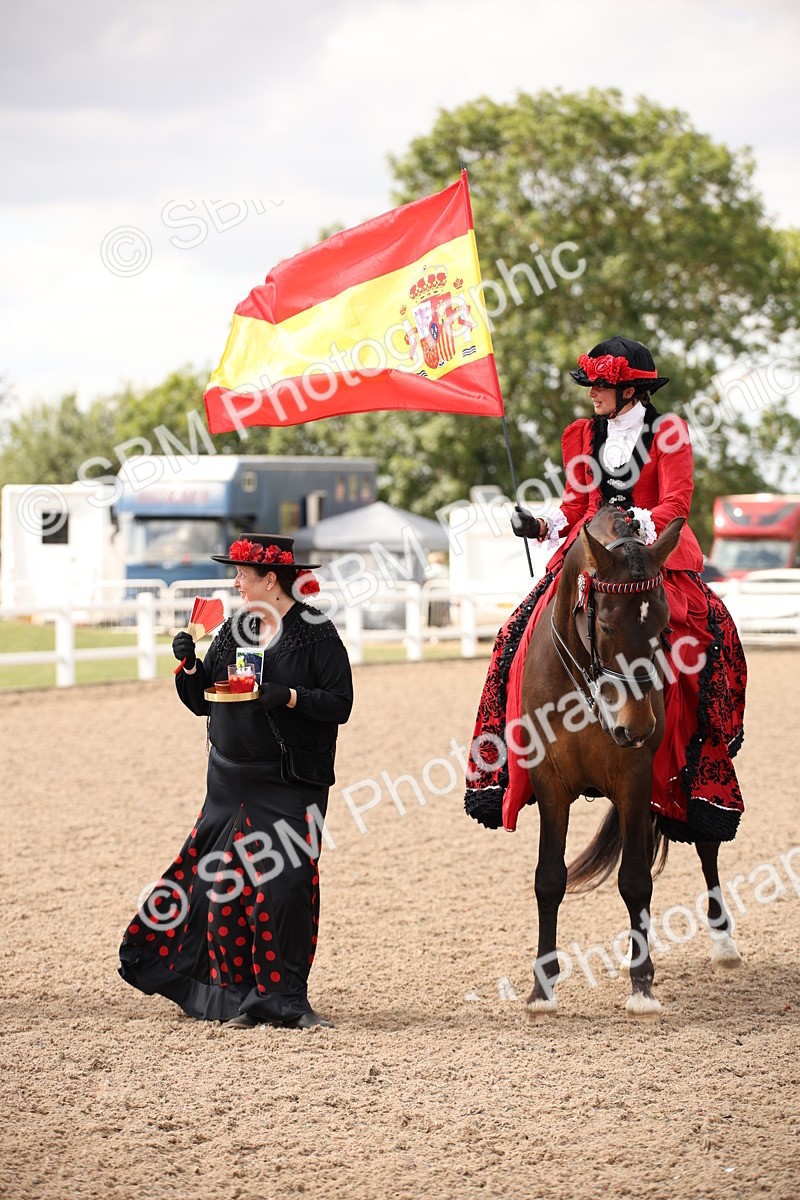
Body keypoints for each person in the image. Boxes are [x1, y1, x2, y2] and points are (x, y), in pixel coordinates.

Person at [464, 336, 746, 842]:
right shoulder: (582, 436)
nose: (592, 393)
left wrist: (629, 524)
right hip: (589, 554)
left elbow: (676, 506)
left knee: (713, 636)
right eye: (591, 384)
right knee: (512, 637)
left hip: (653, 552)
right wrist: (540, 523)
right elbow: (576, 505)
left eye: (600, 385)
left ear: (628, 390)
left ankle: (704, 782)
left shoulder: (669, 433)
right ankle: (499, 768)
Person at [119, 534, 353, 1029]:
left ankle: (286, 1000)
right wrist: (189, 666)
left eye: (243, 574)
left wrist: (287, 696)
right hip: (229, 781)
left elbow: (339, 705)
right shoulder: (236, 627)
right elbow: (207, 698)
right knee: (225, 884)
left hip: (290, 782)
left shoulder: (316, 632)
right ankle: (236, 998)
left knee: (284, 886)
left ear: (271, 579)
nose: (236, 582)